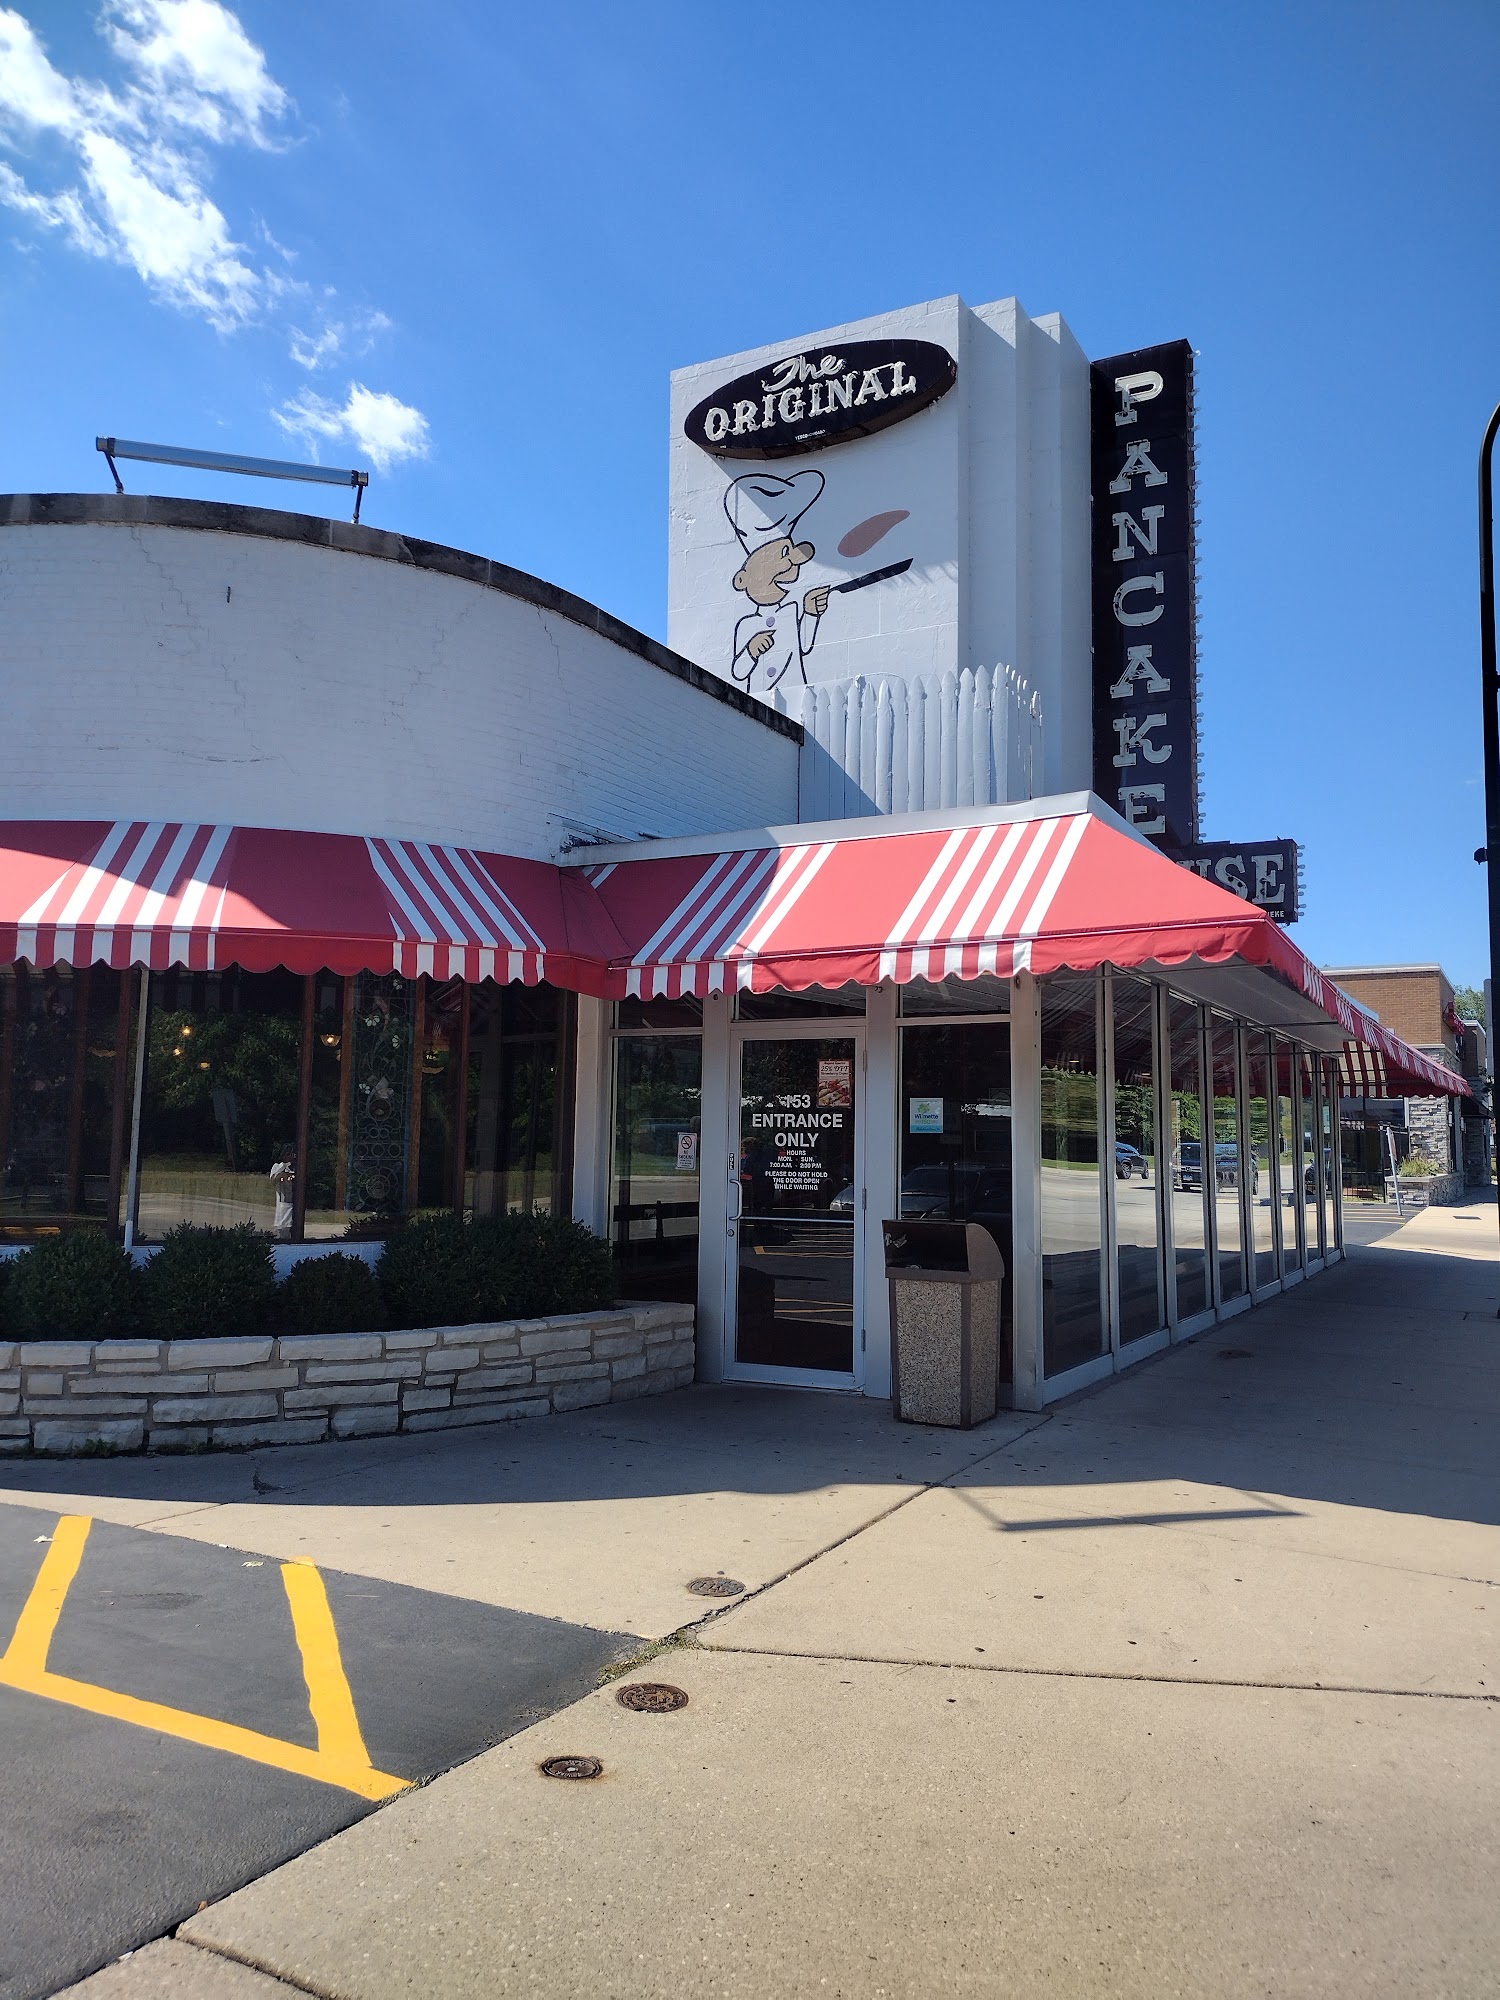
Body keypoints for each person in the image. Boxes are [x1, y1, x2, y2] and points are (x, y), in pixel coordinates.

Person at [725, 470, 831, 693]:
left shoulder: (791, 610)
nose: (793, 559)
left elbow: (804, 645)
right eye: (784, 552)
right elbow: (738, 671)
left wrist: (810, 613)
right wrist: (751, 650)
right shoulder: (746, 624)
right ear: (742, 579)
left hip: (796, 699)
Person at [269, 1143, 297, 1239]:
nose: (290, 1157)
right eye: (288, 1154)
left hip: (294, 1206)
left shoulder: (296, 1169)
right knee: (282, 1234)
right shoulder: (277, 1166)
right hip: (283, 1206)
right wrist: (285, 1164)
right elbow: (274, 1178)